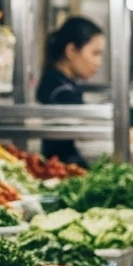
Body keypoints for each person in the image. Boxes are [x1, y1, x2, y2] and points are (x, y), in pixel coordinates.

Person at [37, 16, 105, 165]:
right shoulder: (61, 91)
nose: (98, 62)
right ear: (72, 50)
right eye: (95, 53)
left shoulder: (59, 81)